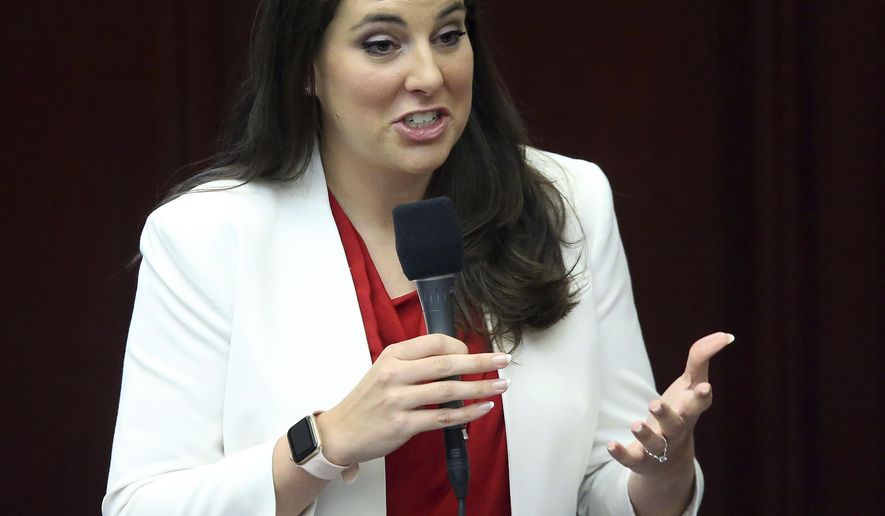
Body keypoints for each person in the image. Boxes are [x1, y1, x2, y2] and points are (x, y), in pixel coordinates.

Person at [103, 1, 733, 515]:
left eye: (449, 35)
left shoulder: (569, 202)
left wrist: (663, 468)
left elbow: (604, 488)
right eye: (382, 44)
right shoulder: (207, 235)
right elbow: (142, 505)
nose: (430, 75)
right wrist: (325, 442)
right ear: (306, 69)